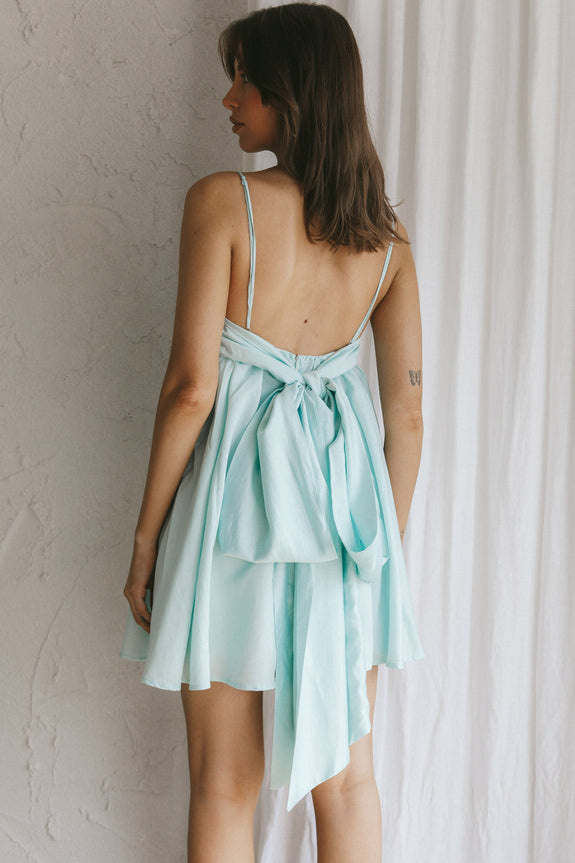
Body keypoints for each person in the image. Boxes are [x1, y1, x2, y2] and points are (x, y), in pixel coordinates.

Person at [120, 3, 425, 861]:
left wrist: (144, 542)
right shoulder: (387, 239)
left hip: (230, 520)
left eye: (244, 81)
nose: (227, 100)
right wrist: (380, 558)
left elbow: (190, 390)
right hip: (343, 533)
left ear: (291, 92)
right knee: (348, 780)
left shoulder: (223, 202)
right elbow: (406, 415)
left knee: (224, 781)